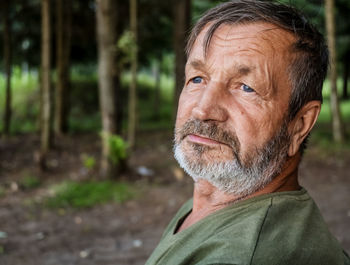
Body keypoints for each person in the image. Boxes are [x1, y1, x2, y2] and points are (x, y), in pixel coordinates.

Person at [145, 1, 350, 264]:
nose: (202, 109)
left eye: (245, 87)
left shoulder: (243, 255)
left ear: (299, 124)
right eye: (197, 79)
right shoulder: (219, 198)